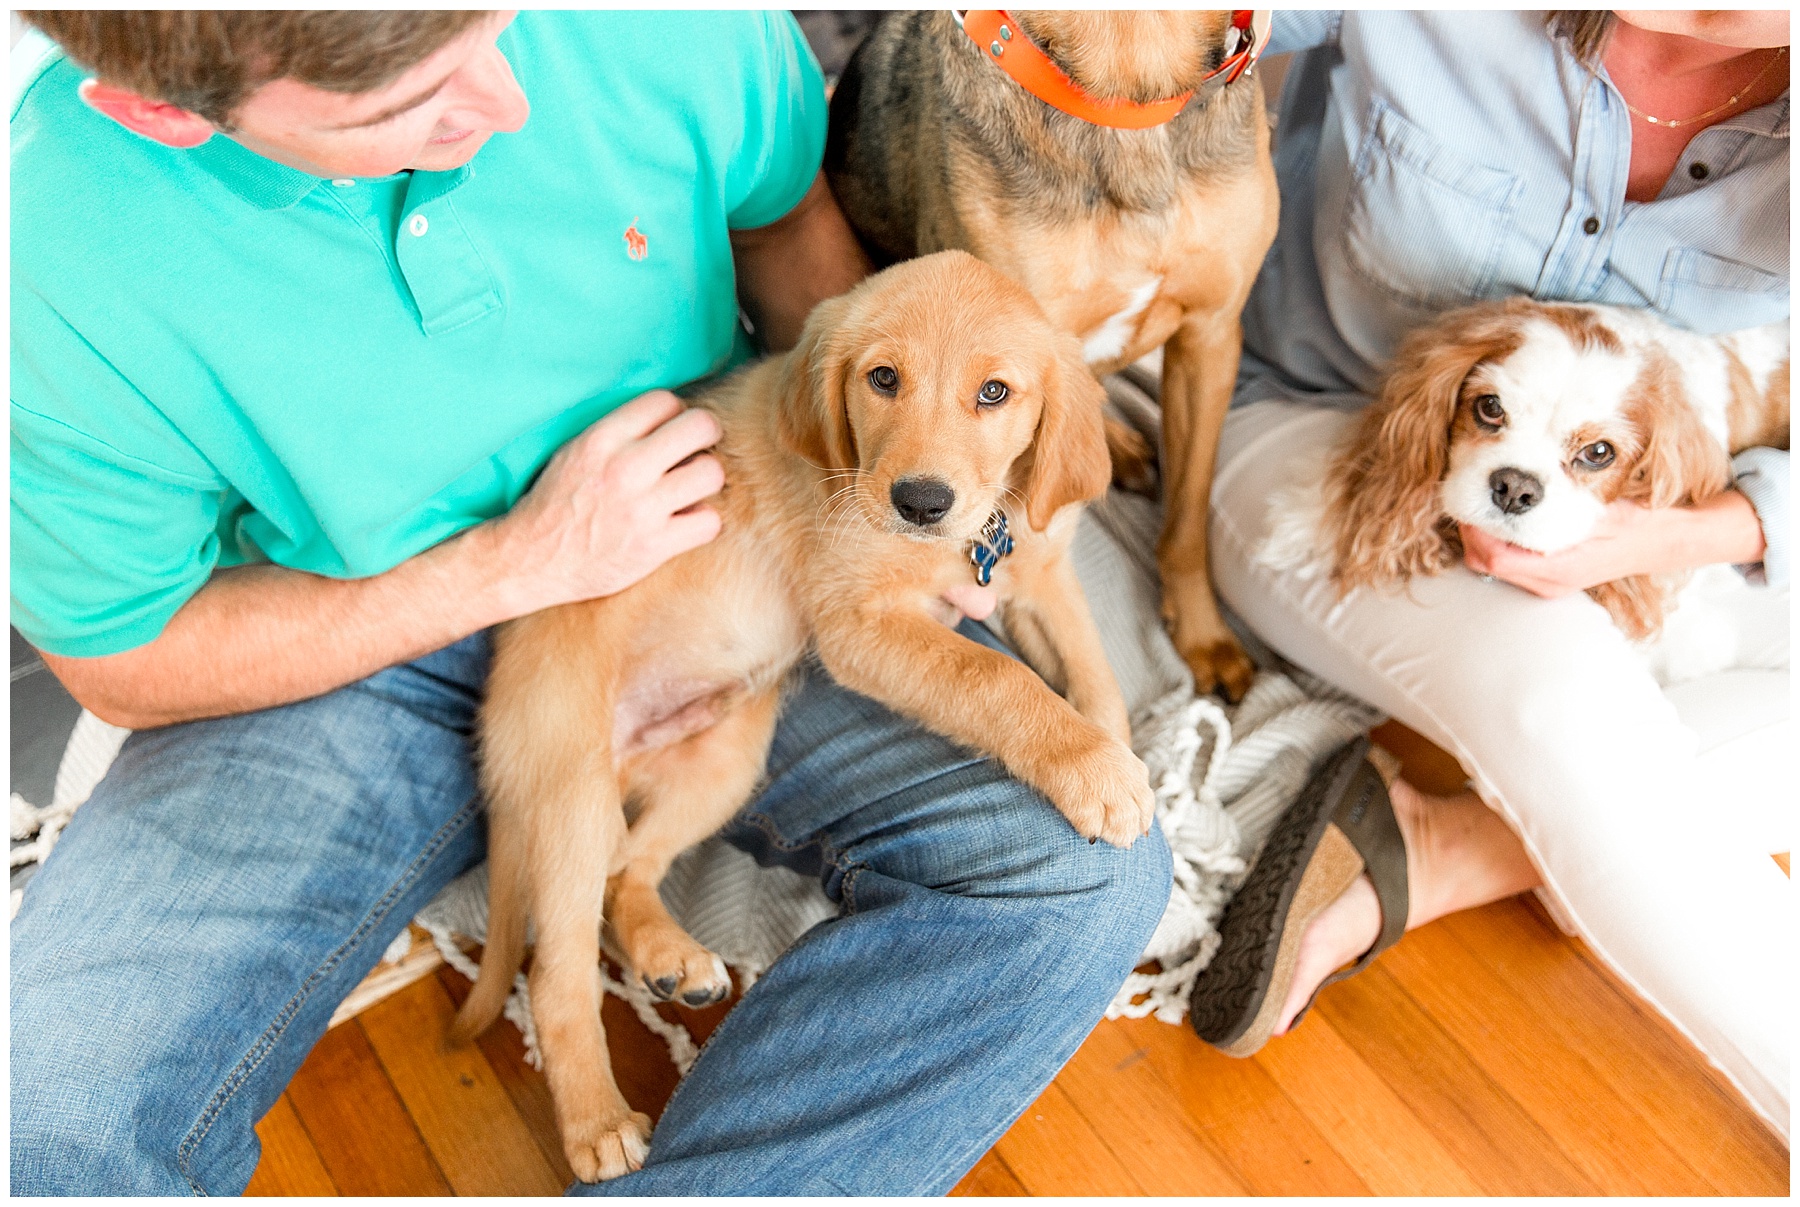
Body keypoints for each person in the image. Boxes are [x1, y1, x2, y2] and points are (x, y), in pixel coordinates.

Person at [8, 11, 1172, 1194]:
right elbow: (123, 656)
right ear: (164, 110)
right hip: (331, 647)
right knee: (46, 1121)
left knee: (1081, 872)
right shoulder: (57, 239)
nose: (507, 102)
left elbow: (788, 227)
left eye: (497, 20)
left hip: (715, 558)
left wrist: (904, 487)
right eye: (405, 101)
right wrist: (516, 562)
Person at [1196, 9, 1790, 1137]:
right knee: (1574, 702)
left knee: (1605, 741)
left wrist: (1677, 537)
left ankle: (1443, 850)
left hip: (1651, 524)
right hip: (1325, 445)